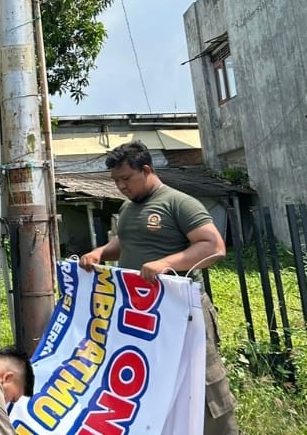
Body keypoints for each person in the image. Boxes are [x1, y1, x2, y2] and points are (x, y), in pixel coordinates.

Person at [77, 140, 238, 435]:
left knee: (202, 382)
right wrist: (101, 252)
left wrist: (166, 263)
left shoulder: (178, 202)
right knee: (153, 380)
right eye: (116, 181)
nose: (121, 186)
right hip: (140, 314)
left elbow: (214, 247)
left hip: (181, 311)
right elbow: (127, 241)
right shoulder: (128, 208)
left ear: (147, 170)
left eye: (126, 179)